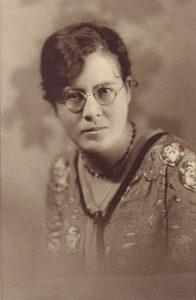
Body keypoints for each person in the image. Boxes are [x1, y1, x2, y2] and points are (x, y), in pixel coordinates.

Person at [40, 22, 196, 275]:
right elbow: (60, 281)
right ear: (54, 107)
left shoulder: (176, 168)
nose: (91, 112)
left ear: (128, 91)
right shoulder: (62, 172)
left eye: (104, 91)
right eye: (73, 96)